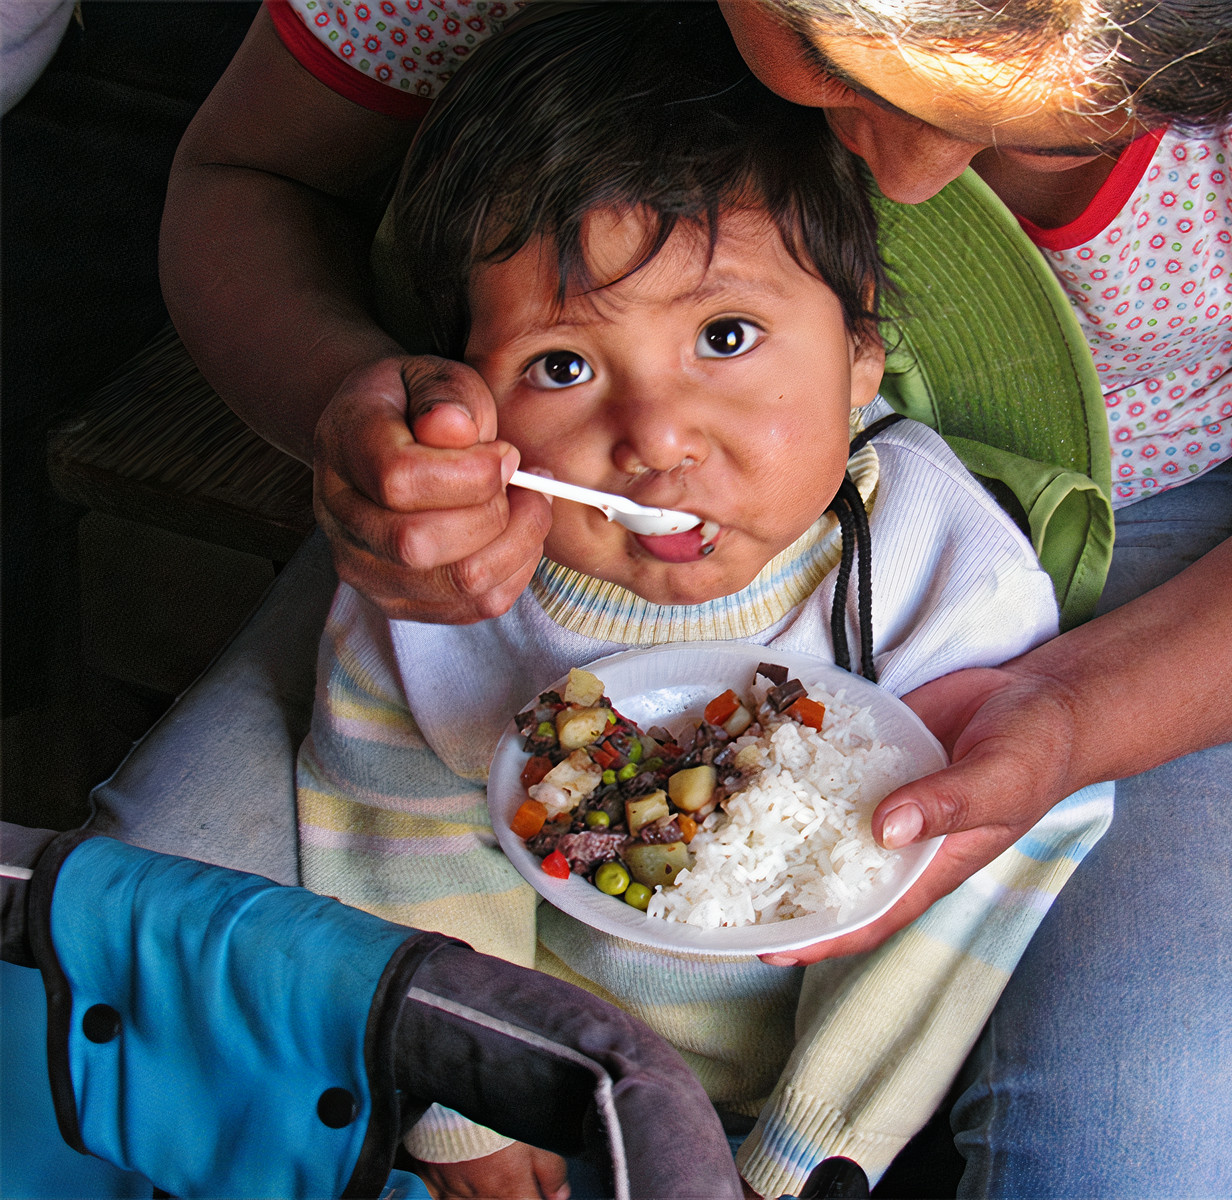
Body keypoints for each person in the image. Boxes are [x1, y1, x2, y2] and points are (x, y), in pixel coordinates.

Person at [136, 0, 1232, 1195]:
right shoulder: (556, 466)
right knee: (159, 966)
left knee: (1156, 1137)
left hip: (1188, 542)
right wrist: (368, 429)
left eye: (1056, 122)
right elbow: (249, 182)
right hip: (537, 506)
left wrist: (1070, 716)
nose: (920, 177)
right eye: (845, 63)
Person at [293, 7, 1110, 1197]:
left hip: (846, 1124)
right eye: (561, 368)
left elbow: (970, 896)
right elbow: (393, 822)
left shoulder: (943, 572)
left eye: (726, 334)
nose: (657, 436)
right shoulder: (454, 587)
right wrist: (468, 1106)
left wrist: (805, 1153)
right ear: (467, 391)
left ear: (860, 358)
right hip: (526, 1081)